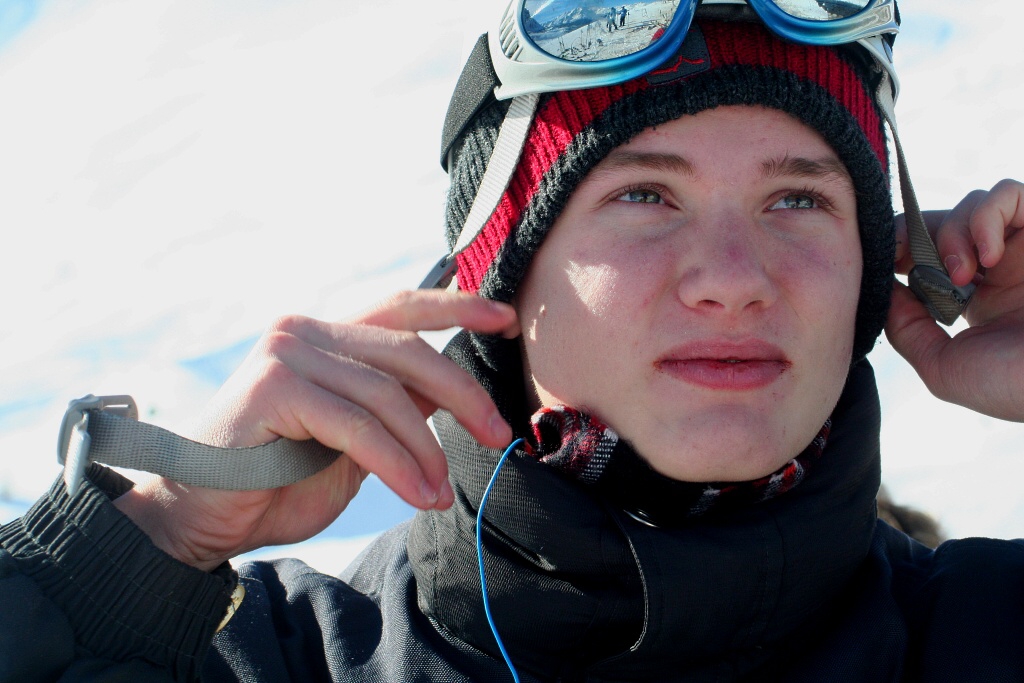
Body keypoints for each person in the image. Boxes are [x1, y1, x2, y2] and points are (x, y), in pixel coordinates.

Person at [2, 1, 1024, 681]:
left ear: (872, 268)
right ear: (495, 277)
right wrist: (138, 550)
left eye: (798, 196)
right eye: (642, 193)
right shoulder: (272, 654)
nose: (732, 278)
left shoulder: (986, 628)